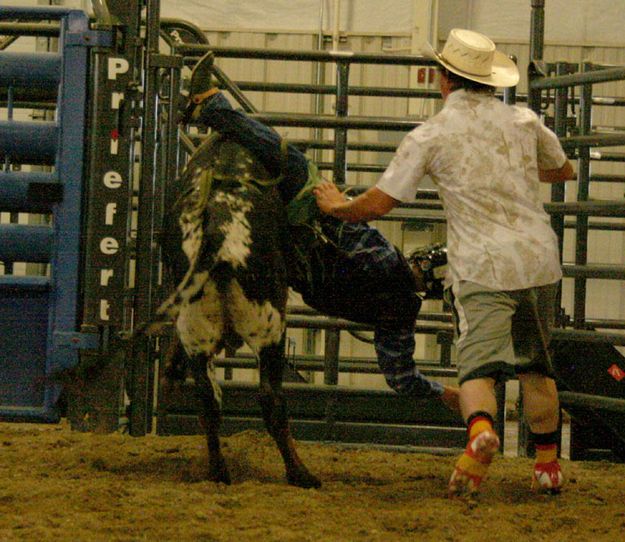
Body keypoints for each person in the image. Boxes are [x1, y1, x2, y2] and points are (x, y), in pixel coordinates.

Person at [314, 28, 575, 498]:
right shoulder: (523, 121)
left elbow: (379, 204)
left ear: (443, 79)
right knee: (537, 368)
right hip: (539, 260)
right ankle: (547, 467)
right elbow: (562, 169)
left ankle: (480, 434)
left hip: (481, 264)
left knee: (477, 369)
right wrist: (507, 169)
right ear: (491, 80)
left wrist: (337, 207)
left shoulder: (431, 135)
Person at [180, 52, 461, 414]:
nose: (421, 259)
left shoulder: (389, 266)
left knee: (294, 161)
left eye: (426, 260)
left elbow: (354, 236)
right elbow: (401, 377)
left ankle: (212, 109)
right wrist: (441, 391)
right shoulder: (401, 312)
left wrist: (337, 204)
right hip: (301, 272)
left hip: (313, 235)